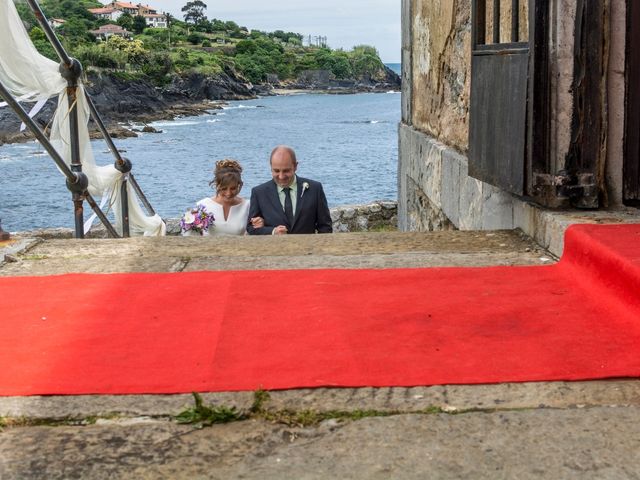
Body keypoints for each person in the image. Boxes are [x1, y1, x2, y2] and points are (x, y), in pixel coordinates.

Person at [247, 145, 332, 235]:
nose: (281, 176)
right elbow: (251, 228)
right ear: (270, 167)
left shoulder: (315, 189)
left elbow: (325, 226)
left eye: (286, 171)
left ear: (295, 166)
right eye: (276, 171)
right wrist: (272, 231)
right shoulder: (259, 193)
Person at [182, 159, 263, 236]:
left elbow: (254, 232)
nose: (228, 193)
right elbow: (190, 235)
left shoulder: (248, 206)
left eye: (233, 188)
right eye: (224, 189)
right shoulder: (203, 205)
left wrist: (260, 223)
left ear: (239, 185)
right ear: (217, 185)